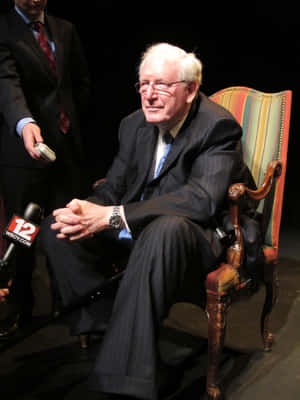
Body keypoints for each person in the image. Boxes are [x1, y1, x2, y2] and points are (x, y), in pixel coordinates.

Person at [41, 43, 261, 400]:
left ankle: (127, 380)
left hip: (197, 236)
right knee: (58, 227)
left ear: (190, 90)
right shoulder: (133, 125)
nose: (149, 95)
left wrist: (113, 216)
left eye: (161, 85)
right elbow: (113, 188)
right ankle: (117, 330)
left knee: (165, 228)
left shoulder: (217, 126)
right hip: (141, 228)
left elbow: (200, 200)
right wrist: (87, 209)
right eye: (143, 84)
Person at [0, 0, 91, 334]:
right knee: (22, 230)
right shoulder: (4, 29)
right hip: (23, 155)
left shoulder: (65, 29)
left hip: (66, 150)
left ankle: (68, 302)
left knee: (66, 225)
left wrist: (69, 124)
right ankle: (20, 305)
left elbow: (79, 82)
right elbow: (6, 86)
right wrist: (25, 124)